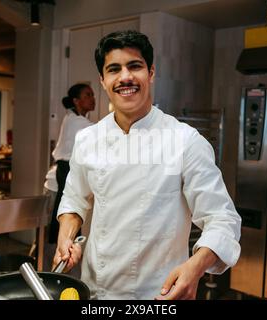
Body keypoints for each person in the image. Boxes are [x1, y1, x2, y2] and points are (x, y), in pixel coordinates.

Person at [53, 30, 241, 300]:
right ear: (103, 81)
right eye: (114, 69)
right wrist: (66, 235)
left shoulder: (185, 141)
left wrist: (195, 267)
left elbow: (223, 220)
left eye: (135, 66)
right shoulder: (87, 139)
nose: (125, 77)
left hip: (157, 294)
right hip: (94, 291)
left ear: (151, 73)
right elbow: (74, 200)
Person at [46, 83, 95, 244]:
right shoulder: (76, 121)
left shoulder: (76, 118)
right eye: (87, 95)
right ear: (76, 101)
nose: (92, 99)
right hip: (65, 169)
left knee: (71, 209)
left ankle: (64, 247)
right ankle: (59, 250)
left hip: (66, 168)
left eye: (92, 95)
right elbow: (100, 134)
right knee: (69, 210)